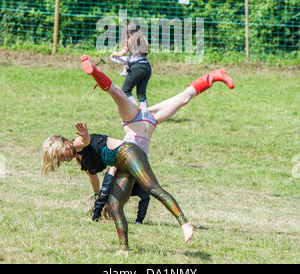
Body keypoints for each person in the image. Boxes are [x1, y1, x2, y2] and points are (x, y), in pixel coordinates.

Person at [81, 54, 234, 222]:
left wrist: (95, 214)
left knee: (118, 94)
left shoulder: (119, 165)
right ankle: (215, 75)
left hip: (132, 120)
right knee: (184, 97)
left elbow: (105, 188)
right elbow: (145, 194)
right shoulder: (135, 172)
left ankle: (94, 71)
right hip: (151, 119)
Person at [41, 122, 194, 254]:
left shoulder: (77, 144)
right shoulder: (80, 160)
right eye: (60, 159)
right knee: (114, 206)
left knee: (151, 188)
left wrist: (85, 134)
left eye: (62, 154)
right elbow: (92, 178)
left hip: (129, 153)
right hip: (121, 166)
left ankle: (184, 223)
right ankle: (124, 250)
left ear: (66, 144)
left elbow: (85, 140)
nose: (63, 158)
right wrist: (97, 197)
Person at [109, 22, 151, 108]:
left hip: (137, 68)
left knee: (125, 90)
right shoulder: (143, 39)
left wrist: (113, 54)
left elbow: (122, 53)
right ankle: (145, 112)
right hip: (147, 67)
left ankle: (134, 110)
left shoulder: (131, 39)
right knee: (141, 94)